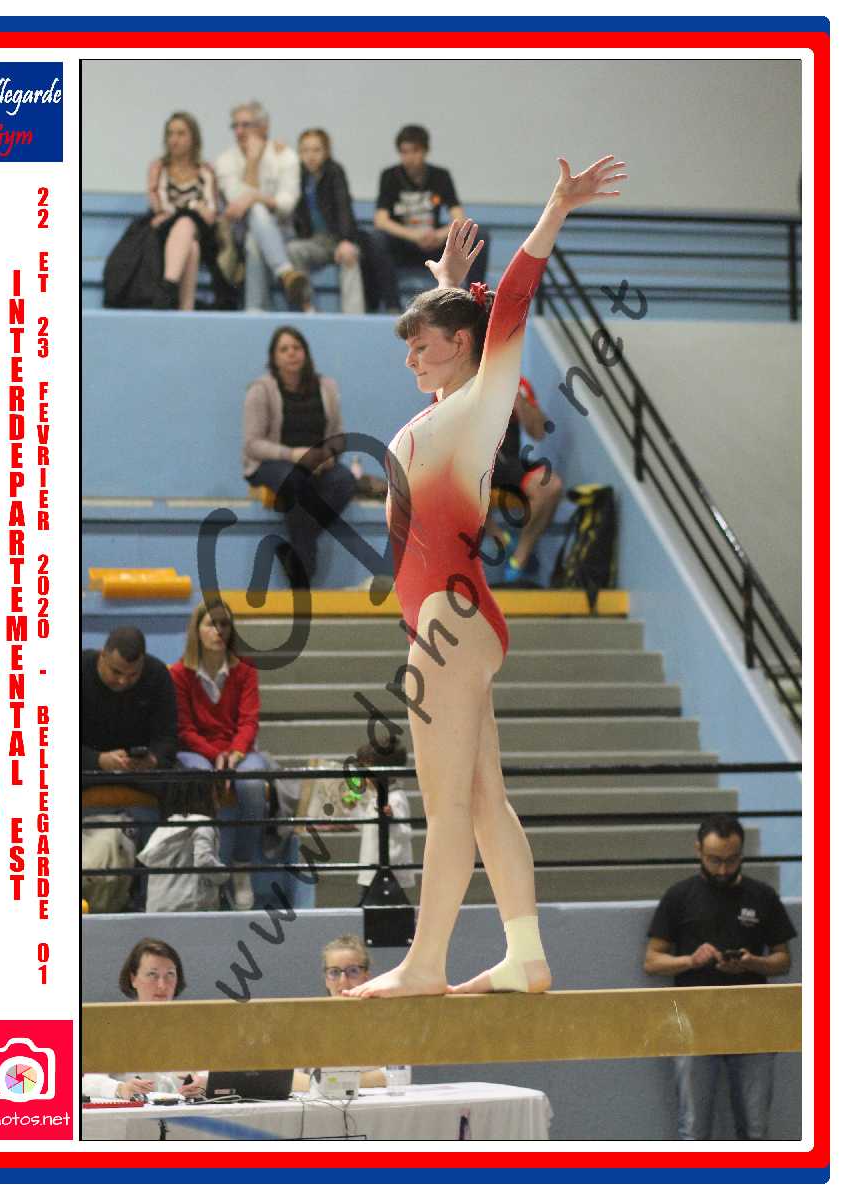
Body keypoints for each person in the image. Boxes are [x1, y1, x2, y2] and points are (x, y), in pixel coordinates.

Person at [343, 155, 627, 1000]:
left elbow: (511, 306)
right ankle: (525, 953)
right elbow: (472, 328)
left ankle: (425, 963)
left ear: (464, 345)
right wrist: (447, 288)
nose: (410, 361)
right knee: (482, 800)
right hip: (455, 618)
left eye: (422, 346)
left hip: (447, 617)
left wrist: (554, 210)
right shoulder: (453, 411)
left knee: (445, 808)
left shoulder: (480, 404)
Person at [644, 814, 797, 1140]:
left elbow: (783, 960)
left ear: (742, 853)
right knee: (694, 1129)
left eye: (732, 860)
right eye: (715, 860)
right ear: (698, 850)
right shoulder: (679, 896)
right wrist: (690, 960)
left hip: (753, 1021)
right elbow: (652, 961)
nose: (724, 870)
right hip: (693, 1021)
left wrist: (754, 962)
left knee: (755, 1130)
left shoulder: (763, 896)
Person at [169, 600, 270, 910]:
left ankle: (241, 867)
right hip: (196, 750)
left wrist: (235, 753)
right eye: (211, 624)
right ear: (196, 631)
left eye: (224, 624)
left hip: (238, 749)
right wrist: (216, 755)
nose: (219, 631)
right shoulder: (179, 673)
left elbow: (249, 721)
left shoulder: (245, 670)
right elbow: (184, 729)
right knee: (199, 778)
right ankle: (206, 870)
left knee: (252, 783)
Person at [243, 325, 357, 589]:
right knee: (295, 481)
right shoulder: (260, 390)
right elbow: (252, 445)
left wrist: (327, 455)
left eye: (296, 347)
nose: (291, 353)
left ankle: (298, 552)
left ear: (305, 352)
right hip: (272, 463)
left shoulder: (327, 387)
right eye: (284, 349)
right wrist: (293, 455)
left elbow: (338, 436)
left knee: (345, 481)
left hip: (316, 463)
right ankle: (305, 567)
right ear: (274, 358)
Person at [367, 124, 490, 312]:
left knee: (478, 235)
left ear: (425, 150)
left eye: (415, 151)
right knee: (375, 238)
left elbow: (459, 218)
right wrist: (414, 235)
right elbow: (381, 220)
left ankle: (475, 303)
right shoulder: (390, 176)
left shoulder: (441, 176)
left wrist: (439, 235)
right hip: (404, 245)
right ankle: (392, 306)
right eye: (404, 152)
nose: (410, 157)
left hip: (435, 245)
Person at [81, 626, 177, 849]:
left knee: (185, 787)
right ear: (102, 655)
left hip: (139, 769)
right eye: (116, 672)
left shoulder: (157, 674)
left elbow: (168, 737)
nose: (124, 681)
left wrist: (153, 760)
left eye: (133, 675)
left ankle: (166, 860)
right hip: (87, 765)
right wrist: (98, 760)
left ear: (143, 663)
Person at [214, 100, 310, 311]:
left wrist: (254, 198)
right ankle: (285, 272)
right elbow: (237, 202)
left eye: (246, 125)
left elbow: (287, 204)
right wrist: (252, 163)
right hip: (238, 234)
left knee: (255, 238)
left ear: (264, 127)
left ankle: (255, 311)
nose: (239, 131)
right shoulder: (225, 160)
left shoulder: (285, 156)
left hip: (283, 230)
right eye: (235, 126)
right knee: (254, 218)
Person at [81, 938, 206, 1100]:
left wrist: (204, 1082)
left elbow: (211, 1073)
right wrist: (121, 1088)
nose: (162, 985)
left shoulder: (194, 1026)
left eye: (170, 974)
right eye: (152, 975)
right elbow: (88, 1082)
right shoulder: (112, 1027)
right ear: (133, 978)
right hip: (132, 1113)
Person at [146, 111, 231, 310]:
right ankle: (186, 309)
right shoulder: (159, 168)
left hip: (203, 233)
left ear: (194, 138)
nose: (174, 139)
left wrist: (190, 209)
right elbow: (160, 207)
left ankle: (168, 286)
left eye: (181, 133)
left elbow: (210, 212)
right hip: (166, 232)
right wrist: (194, 206)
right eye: (170, 134)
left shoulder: (205, 170)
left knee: (187, 223)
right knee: (190, 244)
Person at [485, 375, 565, 585]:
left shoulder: (516, 382)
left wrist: (521, 403)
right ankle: (501, 539)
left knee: (551, 486)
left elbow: (538, 432)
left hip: (506, 464)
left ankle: (519, 558)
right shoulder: (451, 380)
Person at [292, 935, 387, 1093]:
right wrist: (336, 1086)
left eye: (353, 971)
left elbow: (397, 1074)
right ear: (326, 979)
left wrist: (333, 1084)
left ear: (366, 977)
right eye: (334, 972)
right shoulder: (307, 1024)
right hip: (320, 1104)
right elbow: (289, 1077)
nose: (343, 981)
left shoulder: (385, 1021)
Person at [287, 128, 365, 314]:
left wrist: (345, 240)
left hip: (337, 238)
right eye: (305, 150)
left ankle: (354, 316)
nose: (310, 156)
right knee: (293, 249)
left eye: (316, 150)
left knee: (349, 255)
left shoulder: (334, 172)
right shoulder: (298, 175)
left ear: (326, 152)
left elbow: (343, 206)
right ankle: (307, 308)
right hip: (314, 241)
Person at [137, 777, 230, 912]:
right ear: (205, 798)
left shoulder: (167, 826)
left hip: (158, 910)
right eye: (215, 796)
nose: (218, 804)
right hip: (192, 909)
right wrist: (224, 876)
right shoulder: (203, 824)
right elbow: (203, 861)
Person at [352, 735, 415, 904]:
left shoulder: (396, 799)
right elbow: (366, 827)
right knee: (368, 910)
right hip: (371, 868)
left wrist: (391, 818)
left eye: (368, 772)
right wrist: (353, 809)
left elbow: (405, 834)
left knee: (386, 910)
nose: (364, 777)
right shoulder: (374, 798)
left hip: (389, 872)